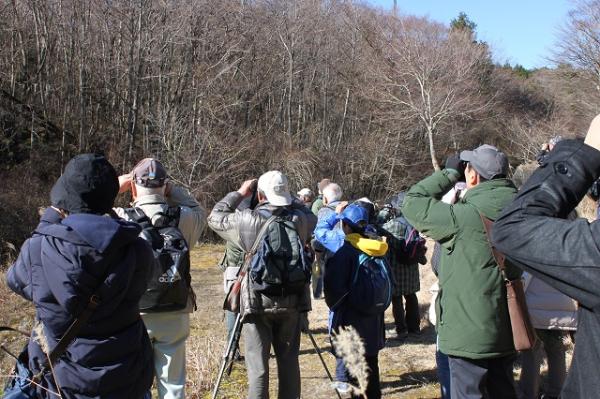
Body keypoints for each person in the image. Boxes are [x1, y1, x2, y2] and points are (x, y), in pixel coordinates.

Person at [6, 153, 154, 398]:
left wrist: (52, 215)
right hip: (126, 380)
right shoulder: (137, 250)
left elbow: (15, 279)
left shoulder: (39, 248)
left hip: (62, 383)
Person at [491, 114, 600, 398]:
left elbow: (513, 228)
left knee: (535, 353)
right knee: (555, 352)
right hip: (562, 308)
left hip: (538, 307)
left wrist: (583, 155)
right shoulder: (578, 224)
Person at [402, 144, 520, 399]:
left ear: (473, 175)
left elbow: (412, 203)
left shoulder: (463, 217)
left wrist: (448, 174)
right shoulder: (521, 212)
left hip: (468, 335)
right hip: (509, 326)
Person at [208, 171, 316, 399]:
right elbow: (310, 213)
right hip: (293, 300)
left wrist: (239, 193)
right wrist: (289, 196)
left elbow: (215, 217)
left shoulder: (247, 220)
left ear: (259, 194)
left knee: (258, 367)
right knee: (289, 363)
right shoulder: (300, 220)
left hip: (257, 301)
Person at [115, 158, 206, 399]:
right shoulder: (184, 217)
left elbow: (86, 211)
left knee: (132, 383)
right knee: (173, 385)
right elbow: (199, 210)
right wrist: (170, 189)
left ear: (133, 187)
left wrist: (116, 186)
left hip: (134, 311)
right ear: (165, 187)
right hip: (175, 308)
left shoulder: (120, 218)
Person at [316, 203, 388, 399]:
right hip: (374, 319)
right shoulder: (378, 248)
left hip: (350, 320)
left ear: (346, 226)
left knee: (356, 376)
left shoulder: (344, 250)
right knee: (371, 367)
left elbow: (333, 292)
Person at [377, 193, 425, 340]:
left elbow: (377, 227)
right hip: (411, 266)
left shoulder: (394, 224)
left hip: (396, 266)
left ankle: (401, 329)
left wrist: (384, 212)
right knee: (411, 297)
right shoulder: (414, 222)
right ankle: (414, 328)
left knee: (396, 298)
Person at [311, 182, 344, 299]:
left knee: (318, 267)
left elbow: (319, 235)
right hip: (347, 250)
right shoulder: (348, 208)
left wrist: (317, 253)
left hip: (330, 252)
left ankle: (317, 293)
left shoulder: (324, 211)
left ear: (325, 198)